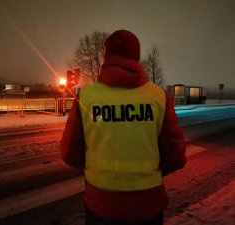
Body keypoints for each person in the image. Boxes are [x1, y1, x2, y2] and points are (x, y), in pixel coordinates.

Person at [60, 29, 186, 225]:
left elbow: (69, 153)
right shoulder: (158, 96)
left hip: (101, 204)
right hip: (148, 206)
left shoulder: (86, 96)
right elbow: (176, 156)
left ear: (106, 56)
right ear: (136, 56)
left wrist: (94, 172)